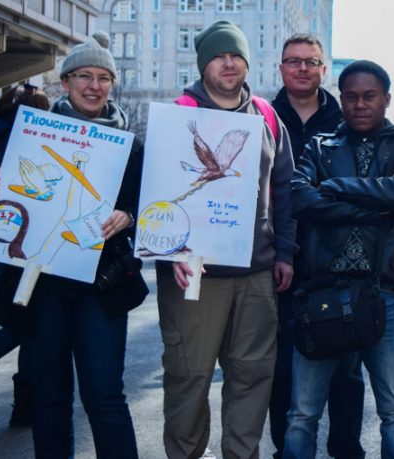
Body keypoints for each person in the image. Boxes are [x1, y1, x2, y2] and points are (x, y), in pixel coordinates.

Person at [156, 20, 296, 458]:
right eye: (218, 55)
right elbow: (155, 195)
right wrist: (169, 251)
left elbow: (286, 190)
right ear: (203, 65)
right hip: (194, 274)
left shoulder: (266, 116)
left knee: (252, 377)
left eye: (235, 55)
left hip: (255, 274)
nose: (229, 63)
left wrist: (285, 252)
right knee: (189, 378)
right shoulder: (178, 113)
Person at [285, 59, 394, 459]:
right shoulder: (319, 145)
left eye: (369, 96)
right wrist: (370, 206)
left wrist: (332, 188)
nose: (360, 104)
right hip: (322, 293)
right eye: (351, 97)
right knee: (302, 412)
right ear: (341, 99)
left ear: (385, 98)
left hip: (385, 294)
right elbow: (299, 197)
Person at [21, 32, 145, 457]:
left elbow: (149, 205)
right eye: (84, 76)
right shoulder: (32, 135)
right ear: (65, 82)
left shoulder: (131, 145)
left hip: (102, 283)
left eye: (104, 78)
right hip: (44, 280)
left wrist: (129, 215)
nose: (95, 86)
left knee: (105, 394)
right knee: (50, 394)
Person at [270, 33, 363, 459]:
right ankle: (284, 449)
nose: (302, 69)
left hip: (338, 259)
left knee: (346, 369)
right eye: (294, 62)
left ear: (324, 69)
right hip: (276, 261)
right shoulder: (262, 117)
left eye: (311, 62)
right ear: (282, 68)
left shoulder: (347, 119)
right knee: (282, 369)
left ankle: (346, 449)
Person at [0, 83, 50, 428]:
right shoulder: (34, 140)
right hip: (22, 249)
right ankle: (25, 404)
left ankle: (26, 404)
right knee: (27, 325)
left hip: (4, 245)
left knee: (22, 323)